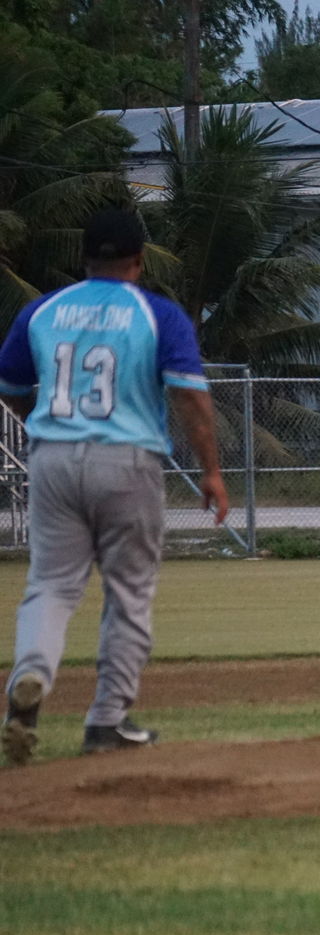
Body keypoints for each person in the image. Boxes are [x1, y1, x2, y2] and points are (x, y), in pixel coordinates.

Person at [0, 208, 228, 764]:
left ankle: (29, 676)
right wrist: (212, 470)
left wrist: (44, 424)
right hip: (127, 460)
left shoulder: (43, 309)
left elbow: (9, 384)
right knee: (127, 595)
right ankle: (106, 722)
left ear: (84, 257)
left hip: (52, 459)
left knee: (51, 586)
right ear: (139, 259)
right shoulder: (156, 314)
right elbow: (190, 397)